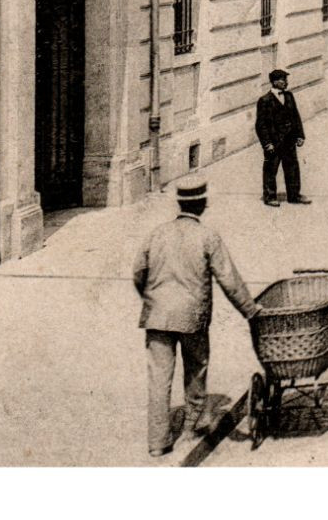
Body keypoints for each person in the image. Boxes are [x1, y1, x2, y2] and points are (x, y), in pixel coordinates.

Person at [134, 176, 260, 457]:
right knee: (196, 368)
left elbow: (138, 271)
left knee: (158, 378)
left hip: (157, 316)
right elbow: (229, 279)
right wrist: (250, 311)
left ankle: (157, 443)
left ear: (180, 203)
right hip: (192, 317)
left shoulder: (157, 233)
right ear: (202, 204)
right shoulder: (208, 237)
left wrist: (151, 298)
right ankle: (192, 427)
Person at [255, 68, 307, 207]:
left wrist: (300, 135)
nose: (286, 82)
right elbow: (261, 125)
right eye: (283, 80)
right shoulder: (264, 100)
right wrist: (267, 144)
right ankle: (270, 196)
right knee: (271, 169)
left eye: (286, 79)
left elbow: (295, 116)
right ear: (274, 82)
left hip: (289, 141)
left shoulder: (289, 96)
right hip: (274, 142)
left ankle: (294, 195)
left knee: (292, 168)